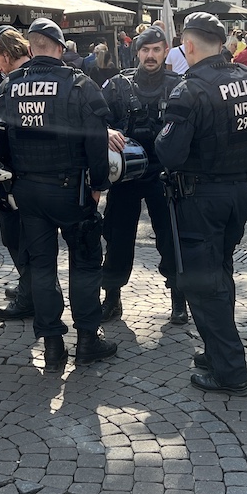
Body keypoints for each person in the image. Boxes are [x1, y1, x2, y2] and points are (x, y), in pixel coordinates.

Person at [156, 12, 247, 397]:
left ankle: (230, 371)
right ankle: (216, 350)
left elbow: (170, 152)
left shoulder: (189, 89)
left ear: (188, 45)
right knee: (219, 272)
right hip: (240, 191)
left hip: (200, 197)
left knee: (204, 283)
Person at [0, 18, 116, 371]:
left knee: (41, 267)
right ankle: (87, 340)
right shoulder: (80, 84)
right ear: (61, 50)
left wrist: (10, 188)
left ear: (31, 49)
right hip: (72, 191)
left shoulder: (9, 87)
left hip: (28, 192)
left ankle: (51, 344)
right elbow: (97, 140)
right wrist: (98, 187)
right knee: (84, 264)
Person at [99, 26, 186, 325]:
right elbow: (94, 119)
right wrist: (106, 130)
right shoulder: (115, 86)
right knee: (117, 236)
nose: (150, 55)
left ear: (166, 51)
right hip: (125, 176)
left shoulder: (179, 86)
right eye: (145, 50)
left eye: (157, 49)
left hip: (164, 176)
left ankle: (178, 297)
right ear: (137, 52)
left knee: (171, 237)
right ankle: (112, 297)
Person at [0, 26, 37, 321]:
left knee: (16, 238)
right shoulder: (39, 76)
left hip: (14, 176)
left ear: (6, 53)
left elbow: (0, 130)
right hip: (36, 174)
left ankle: (29, 295)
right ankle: (28, 286)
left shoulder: (10, 86)